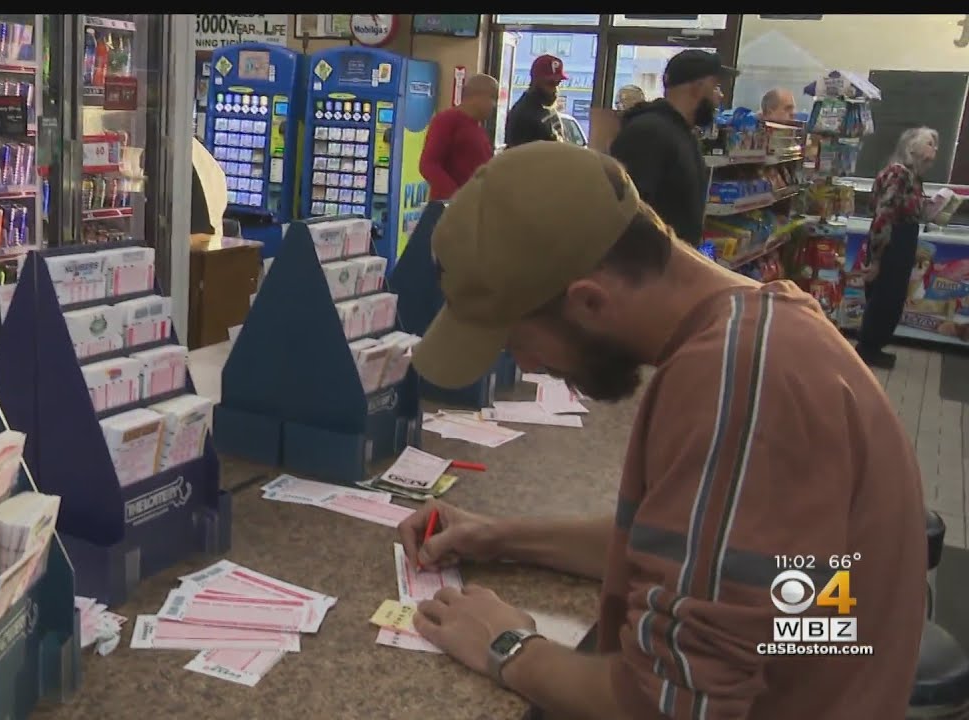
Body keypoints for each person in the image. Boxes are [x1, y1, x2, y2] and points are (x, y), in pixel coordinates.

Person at [398, 142, 925, 719]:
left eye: (513, 342)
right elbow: (703, 560)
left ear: (590, 302)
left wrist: (507, 646)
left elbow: (673, 706)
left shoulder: (737, 383)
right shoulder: (764, 324)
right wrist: (499, 538)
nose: (526, 366)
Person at [610, 49, 736, 247]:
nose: (719, 96)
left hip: (672, 266)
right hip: (648, 269)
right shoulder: (648, 133)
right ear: (697, 88)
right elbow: (628, 211)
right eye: (715, 87)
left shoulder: (683, 134)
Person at [856, 126, 939, 369]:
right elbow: (884, 215)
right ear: (911, 146)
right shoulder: (898, 173)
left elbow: (910, 209)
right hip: (890, 242)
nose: (934, 149)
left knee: (893, 298)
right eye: (929, 143)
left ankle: (875, 346)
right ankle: (866, 349)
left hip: (903, 239)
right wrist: (877, 259)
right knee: (883, 297)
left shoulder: (914, 176)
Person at [419, 74, 497, 201]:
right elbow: (428, 164)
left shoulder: (477, 128)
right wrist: (456, 196)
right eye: (492, 97)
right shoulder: (447, 120)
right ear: (476, 95)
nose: (494, 105)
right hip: (452, 208)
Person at [504, 54, 566, 148]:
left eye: (558, 83)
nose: (555, 90)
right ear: (535, 81)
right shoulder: (524, 113)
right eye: (550, 83)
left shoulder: (547, 109)